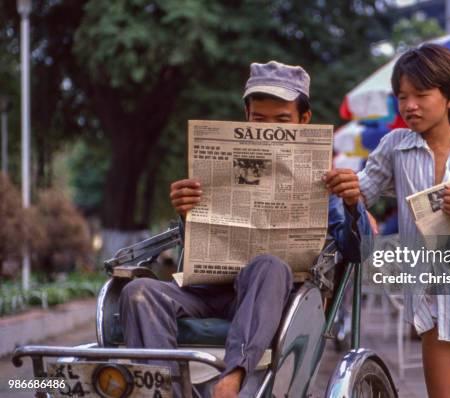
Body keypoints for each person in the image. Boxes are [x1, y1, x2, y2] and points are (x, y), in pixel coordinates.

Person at [119, 61, 371, 398]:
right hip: (209, 290)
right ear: (247, 118)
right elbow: (193, 246)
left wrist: (353, 205)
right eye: (259, 119)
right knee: (138, 293)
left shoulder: (326, 181)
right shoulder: (219, 165)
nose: (270, 129)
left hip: (275, 295)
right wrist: (186, 212)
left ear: (303, 119)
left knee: (268, 264)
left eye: (282, 120)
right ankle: (166, 392)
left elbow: (358, 253)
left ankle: (232, 378)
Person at [325, 44, 450, 398]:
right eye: (402, 97)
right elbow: (363, 192)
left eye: (421, 94)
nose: (409, 105)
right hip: (432, 295)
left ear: (449, 98)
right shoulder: (395, 146)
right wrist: (351, 193)